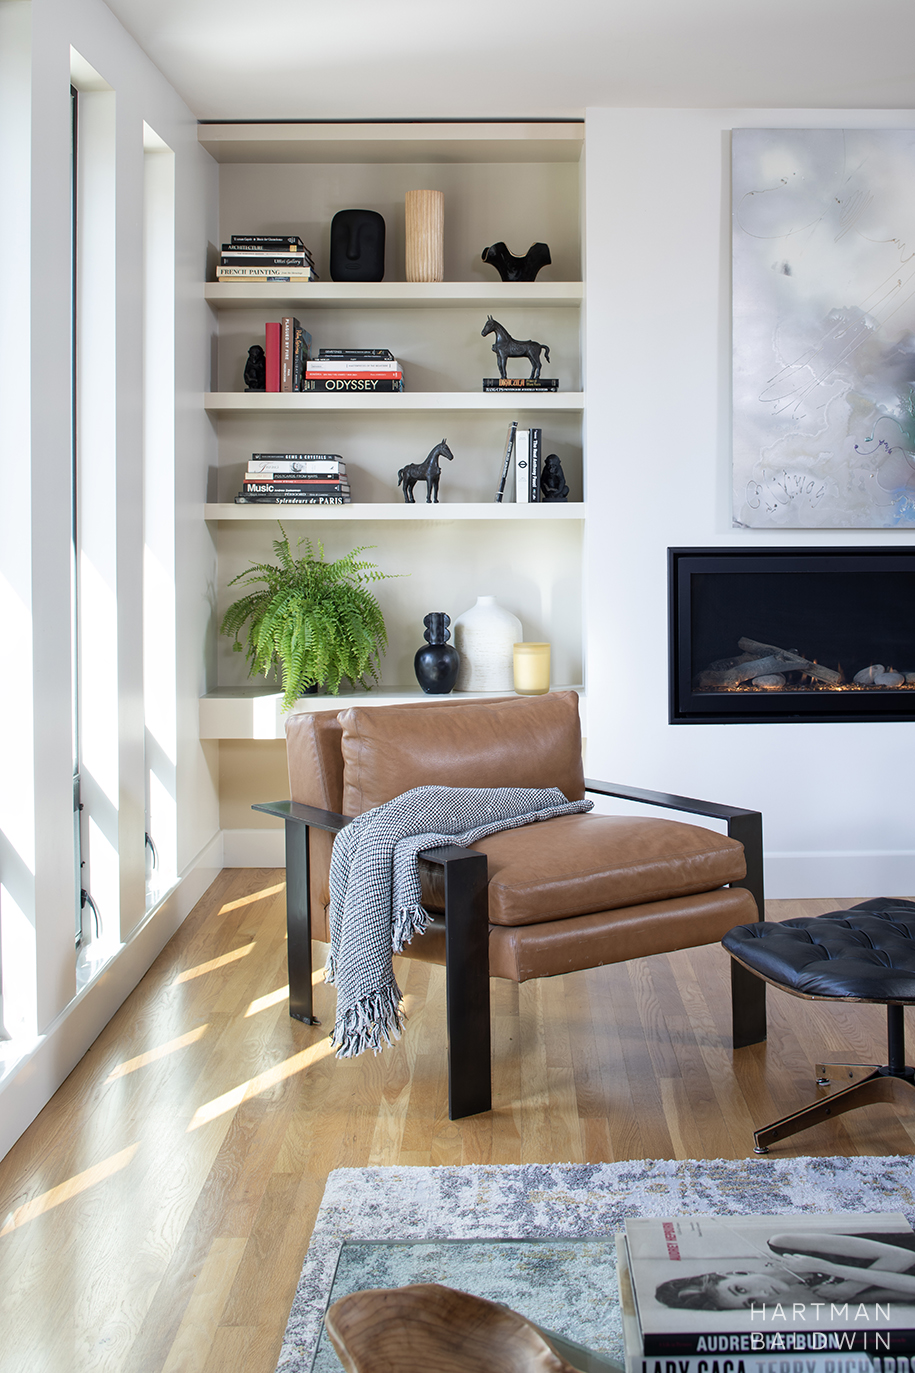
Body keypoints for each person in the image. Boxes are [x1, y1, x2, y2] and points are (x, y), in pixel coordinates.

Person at [655, 1229, 915, 1310]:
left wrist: (842, 1279)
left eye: (741, 1289)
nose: (762, 1296)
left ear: (734, 1273)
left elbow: (902, 1256)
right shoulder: (818, 1298)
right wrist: (848, 1291)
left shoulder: (784, 1244)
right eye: (751, 1303)